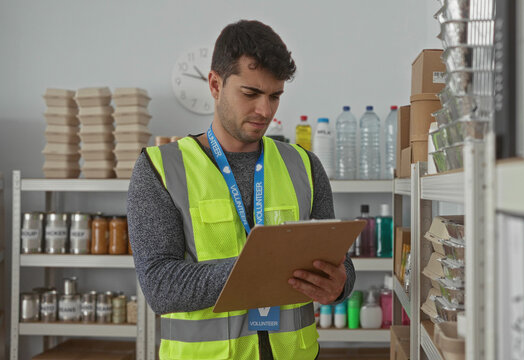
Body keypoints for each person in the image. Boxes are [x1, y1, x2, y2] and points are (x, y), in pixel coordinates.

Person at [127, 20, 355, 360]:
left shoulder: (305, 167)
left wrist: (340, 285)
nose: (265, 110)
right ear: (215, 85)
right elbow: (161, 286)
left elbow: (340, 265)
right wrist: (259, 269)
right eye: (250, 94)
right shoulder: (160, 170)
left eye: (275, 96)